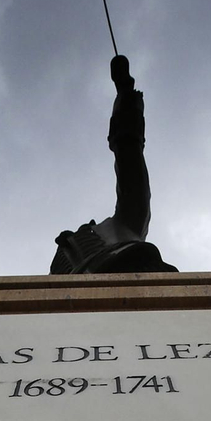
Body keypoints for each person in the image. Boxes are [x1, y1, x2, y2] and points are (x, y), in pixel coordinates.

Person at [49, 55, 178, 274]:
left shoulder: (124, 225)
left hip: (135, 271)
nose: (83, 230)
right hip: (75, 299)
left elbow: (130, 164)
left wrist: (126, 99)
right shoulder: (60, 272)